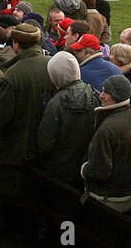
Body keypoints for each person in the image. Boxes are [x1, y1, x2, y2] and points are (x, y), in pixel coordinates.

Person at [0, 23, 53, 234]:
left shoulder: (11, 75)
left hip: (17, 142)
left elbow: (2, 117)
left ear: (15, 44)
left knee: (11, 186)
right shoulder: (51, 65)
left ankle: (7, 226)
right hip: (46, 138)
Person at [81, 75, 131, 215]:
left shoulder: (107, 128)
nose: (101, 95)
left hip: (107, 197)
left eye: (106, 92)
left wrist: (84, 169)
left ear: (115, 96)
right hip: (130, 192)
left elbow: (100, 170)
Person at [37, 52, 99, 186]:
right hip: (84, 166)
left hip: (58, 169)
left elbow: (45, 143)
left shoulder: (55, 103)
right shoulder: (95, 94)